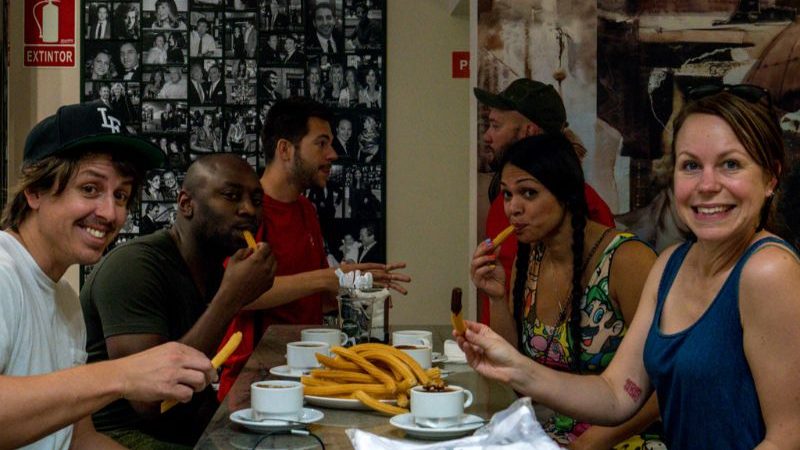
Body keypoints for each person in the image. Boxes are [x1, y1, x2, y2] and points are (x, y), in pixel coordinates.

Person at [459, 88, 800, 449]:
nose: (707, 185)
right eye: (691, 165)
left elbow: (789, 436)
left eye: (730, 164)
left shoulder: (768, 270)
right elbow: (618, 393)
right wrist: (513, 365)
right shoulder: (672, 264)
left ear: (771, 178)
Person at [0, 100, 216, 449]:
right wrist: (123, 375)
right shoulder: (3, 273)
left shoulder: (66, 301)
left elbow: (79, 439)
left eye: (121, 195)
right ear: (35, 190)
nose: (110, 212)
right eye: (90, 189)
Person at [468, 133, 662, 447]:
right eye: (506, 194)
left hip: (626, 438)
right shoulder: (528, 258)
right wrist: (495, 296)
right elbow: (512, 372)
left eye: (528, 193)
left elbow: (664, 388)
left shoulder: (627, 261)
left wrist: (587, 443)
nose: (512, 208)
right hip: (551, 434)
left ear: (567, 195)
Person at [216, 97, 411, 399]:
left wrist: (358, 293)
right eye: (321, 144)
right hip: (254, 384)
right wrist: (327, 277)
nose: (333, 154)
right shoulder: (247, 211)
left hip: (305, 377)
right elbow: (236, 296)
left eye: (331, 144)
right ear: (285, 150)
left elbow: (309, 300)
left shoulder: (306, 209)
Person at [80, 154, 276, 448]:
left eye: (256, 200)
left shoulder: (210, 265)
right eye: (231, 196)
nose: (248, 210)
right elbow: (151, 402)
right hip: (119, 435)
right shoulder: (135, 266)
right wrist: (229, 299)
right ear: (186, 204)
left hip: (182, 425)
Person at [474, 78, 615, 324]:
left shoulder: (590, 208)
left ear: (529, 131)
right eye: (509, 194)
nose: (514, 208)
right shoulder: (501, 204)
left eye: (496, 125)